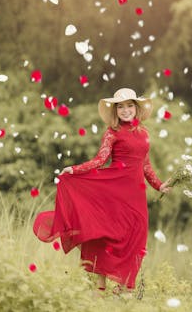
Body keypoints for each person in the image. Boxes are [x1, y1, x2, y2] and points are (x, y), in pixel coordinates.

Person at [33, 88, 171, 295]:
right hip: (113, 190)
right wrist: (75, 169)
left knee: (136, 237)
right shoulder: (112, 132)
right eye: (121, 107)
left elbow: (146, 165)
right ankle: (100, 288)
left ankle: (124, 287)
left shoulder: (144, 134)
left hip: (135, 194)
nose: (125, 110)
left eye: (129, 106)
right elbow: (100, 160)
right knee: (107, 235)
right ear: (116, 111)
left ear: (136, 108)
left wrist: (159, 185)